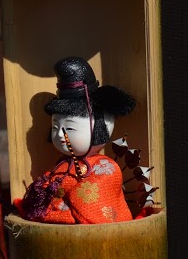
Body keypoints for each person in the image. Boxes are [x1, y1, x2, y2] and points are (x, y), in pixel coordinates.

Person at [20, 58, 138, 225]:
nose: (60, 135)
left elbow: (89, 207)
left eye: (70, 128)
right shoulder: (61, 165)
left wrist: (58, 205)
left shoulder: (107, 169)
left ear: (104, 125)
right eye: (55, 127)